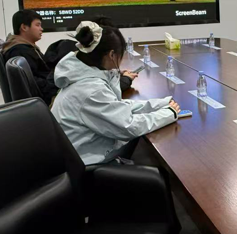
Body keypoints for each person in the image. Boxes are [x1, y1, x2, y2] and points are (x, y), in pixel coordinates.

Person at [52, 21, 181, 165]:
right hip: (87, 163)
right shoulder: (91, 90)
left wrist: (158, 104)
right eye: (121, 55)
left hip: (81, 152)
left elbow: (116, 107)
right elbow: (128, 126)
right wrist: (168, 113)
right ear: (112, 55)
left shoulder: (84, 76)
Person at [45, 16, 137, 92]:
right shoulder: (91, 85)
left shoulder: (81, 56)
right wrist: (126, 79)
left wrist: (114, 73)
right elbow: (105, 91)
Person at [1, 9, 57, 105]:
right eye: (37, 25)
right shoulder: (20, 51)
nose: (41, 29)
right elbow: (34, 83)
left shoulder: (22, 47)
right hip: (44, 99)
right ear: (24, 27)